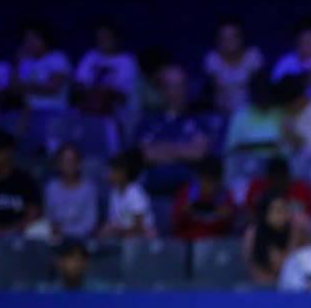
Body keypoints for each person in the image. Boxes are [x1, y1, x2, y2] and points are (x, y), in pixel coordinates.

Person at [136, 65, 209, 194]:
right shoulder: (148, 122)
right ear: (163, 89)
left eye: (182, 86)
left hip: (188, 194)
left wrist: (162, 148)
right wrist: (183, 149)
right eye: (173, 86)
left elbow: (198, 154)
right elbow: (145, 154)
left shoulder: (198, 121)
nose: (179, 92)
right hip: (153, 191)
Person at [73, 20, 138, 117]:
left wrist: (102, 94)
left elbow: (122, 92)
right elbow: (79, 84)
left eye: (107, 38)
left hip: (115, 112)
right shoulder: (90, 56)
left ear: (117, 39)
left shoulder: (127, 60)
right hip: (87, 109)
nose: (103, 42)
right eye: (100, 39)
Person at [243, 192, 307, 286]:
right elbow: (254, 269)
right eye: (275, 210)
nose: (280, 214)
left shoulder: (296, 231)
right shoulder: (253, 234)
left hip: (294, 288)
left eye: (283, 209)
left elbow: (306, 264)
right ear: (264, 213)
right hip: (264, 289)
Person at [203, 20, 264, 115]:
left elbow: (259, 90)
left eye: (234, 37)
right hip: (221, 113)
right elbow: (211, 94)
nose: (230, 42)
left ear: (242, 37)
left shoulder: (253, 56)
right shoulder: (212, 60)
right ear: (218, 40)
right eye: (225, 38)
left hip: (250, 114)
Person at [171, 155, 237, 240]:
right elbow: (175, 225)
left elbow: (229, 230)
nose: (209, 186)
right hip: (189, 242)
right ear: (199, 177)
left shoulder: (225, 197)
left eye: (213, 181)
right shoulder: (186, 193)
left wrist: (226, 218)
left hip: (216, 245)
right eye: (207, 180)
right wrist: (184, 211)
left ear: (219, 180)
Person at [224, 73, 288, 158]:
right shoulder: (240, 115)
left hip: (277, 165)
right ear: (253, 96)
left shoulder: (282, 113)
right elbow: (232, 148)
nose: (263, 101)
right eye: (260, 96)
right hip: (246, 165)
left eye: (266, 96)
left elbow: (288, 148)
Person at [43, 142, 98, 239]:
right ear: (58, 164)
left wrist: (64, 231)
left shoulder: (88, 189)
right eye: (64, 160)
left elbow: (90, 224)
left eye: (72, 160)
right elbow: (48, 218)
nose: (68, 164)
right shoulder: (51, 187)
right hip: (54, 239)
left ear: (79, 163)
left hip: (81, 240)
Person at [14, 21, 71, 113]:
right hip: (28, 114)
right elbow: (14, 89)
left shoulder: (57, 58)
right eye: (26, 40)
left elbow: (52, 87)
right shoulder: (26, 62)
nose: (29, 43)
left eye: (33, 39)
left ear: (44, 39)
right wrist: (18, 63)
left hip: (53, 113)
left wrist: (25, 87)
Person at [97, 148, 155, 238]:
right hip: (123, 237)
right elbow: (113, 221)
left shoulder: (135, 193)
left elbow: (139, 227)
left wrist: (117, 230)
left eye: (113, 171)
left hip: (143, 238)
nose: (109, 175)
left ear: (124, 173)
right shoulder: (114, 193)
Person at [242, 154, 311, 222]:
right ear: (268, 177)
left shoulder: (304, 190)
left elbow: (310, 218)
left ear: (288, 176)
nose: (278, 183)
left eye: (281, 177)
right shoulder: (257, 188)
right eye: (275, 178)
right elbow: (249, 213)